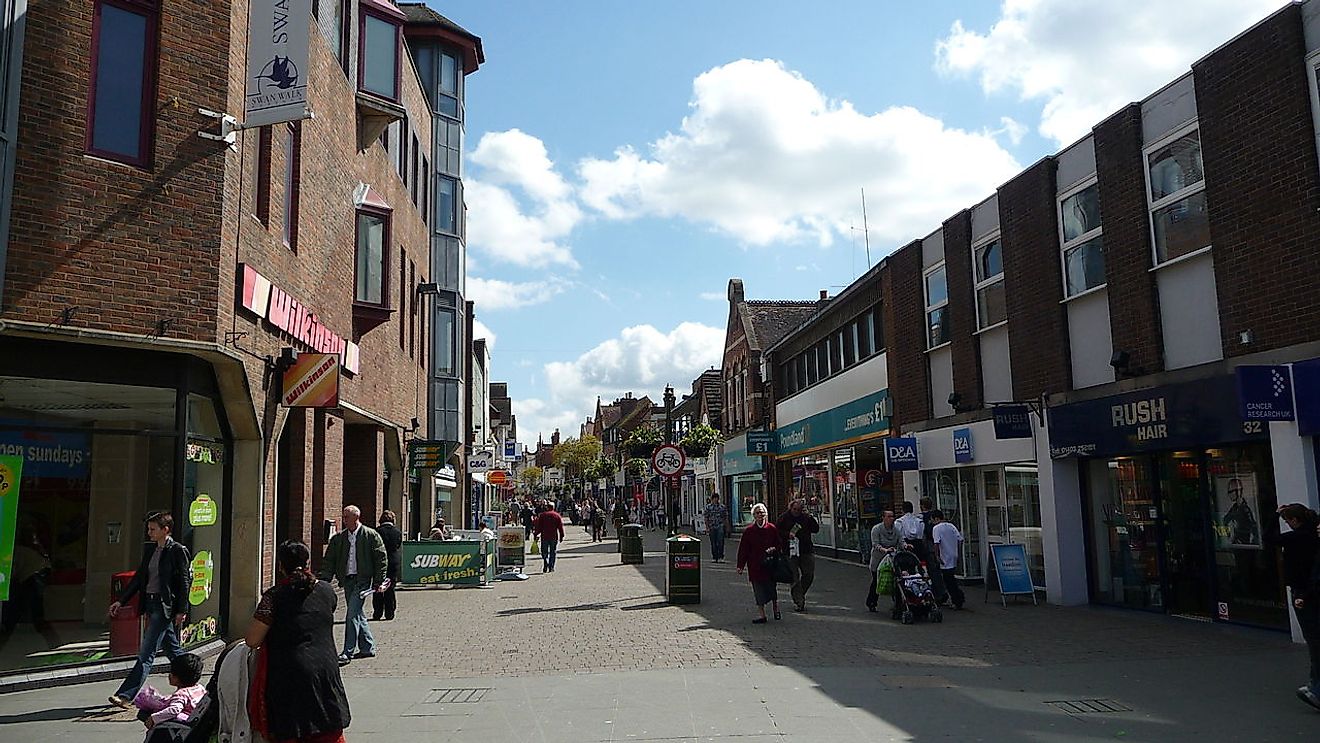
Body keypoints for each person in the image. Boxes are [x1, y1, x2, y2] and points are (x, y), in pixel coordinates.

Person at [246, 540, 352, 742]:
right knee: (327, 729)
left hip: (289, 672)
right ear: (308, 562)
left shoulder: (273, 597)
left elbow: (252, 639)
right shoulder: (327, 591)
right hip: (326, 667)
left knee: (293, 732)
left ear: (280, 566)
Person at [108, 512, 193, 709]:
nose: (149, 533)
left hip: (164, 607)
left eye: (153, 529)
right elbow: (139, 578)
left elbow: (184, 582)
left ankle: (125, 695)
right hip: (150, 604)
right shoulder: (150, 551)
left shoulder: (177, 550)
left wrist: (182, 609)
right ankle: (193, 680)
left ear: (166, 530)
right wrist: (121, 601)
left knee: (146, 652)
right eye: (148, 529)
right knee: (174, 650)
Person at [319, 505, 387, 666]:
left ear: (356, 517)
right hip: (347, 580)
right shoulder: (339, 539)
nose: (344, 520)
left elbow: (381, 558)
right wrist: (325, 579)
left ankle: (347, 652)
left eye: (346, 517)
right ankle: (367, 647)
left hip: (363, 580)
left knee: (351, 615)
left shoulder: (371, 535)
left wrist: (378, 581)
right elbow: (330, 560)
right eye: (343, 517)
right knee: (357, 614)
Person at [1276, 503, 1320, 711]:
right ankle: (1315, 685)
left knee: (1315, 641)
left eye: (1287, 520)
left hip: (1307, 594)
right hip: (1309, 592)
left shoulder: (1298, 538)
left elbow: (1270, 539)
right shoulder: (1313, 536)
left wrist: (1303, 595)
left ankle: (1317, 688)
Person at [0, 529, 60, 649]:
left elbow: (11, 573)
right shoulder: (20, 551)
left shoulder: (12, 552)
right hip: (37, 573)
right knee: (32, 610)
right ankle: (54, 642)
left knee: (21, 610)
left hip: (33, 575)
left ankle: (4, 637)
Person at [133, 652, 206, 729]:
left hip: (181, 725)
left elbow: (174, 710)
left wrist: (153, 718)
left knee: (142, 714)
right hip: (195, 720)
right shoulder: (200, 688)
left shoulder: (181, 694)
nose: (169, 675)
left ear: (178, 677)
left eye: (172, 673)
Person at [736, 503, 782, 624]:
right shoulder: (749, 531)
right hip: (755, 566)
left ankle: (775, 608)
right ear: (753, 515)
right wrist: (740, 565)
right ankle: (762, 615)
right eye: (757, 513)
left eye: (762, 512)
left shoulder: (772, 528)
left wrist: (774, 549)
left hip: (770, 565)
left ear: (765, 514)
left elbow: (779, 544)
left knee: (772, 588)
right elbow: (743, 549)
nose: (760, 514)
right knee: (758, 590)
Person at [776, 498, 820, 612]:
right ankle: (799, 602)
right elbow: (777, 531)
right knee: (794, 577)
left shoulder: (806, 517)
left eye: (799, 510)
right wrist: (787, 534)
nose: (796, 511)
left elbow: (816, 529)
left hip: (806, 549)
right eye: (794, 509)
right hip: (790, 551)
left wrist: (810, 517)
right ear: (790, 508)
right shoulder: (784, 517)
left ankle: (800, 593)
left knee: (808, 574)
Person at [867, 509, 902, 613]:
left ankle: (898, 603)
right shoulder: (876, 529)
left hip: (891, 560)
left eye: (892, 516)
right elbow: (875, 544)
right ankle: (872, 602)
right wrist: (885, 550)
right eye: (889, 516)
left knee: (897, 582)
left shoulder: (896, 530)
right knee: (876, 582)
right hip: (878, 561)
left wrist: (905, 545)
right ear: (883, 518)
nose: (892, 519)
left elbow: (900, 541)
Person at [371, 510, 403, 622]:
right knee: (390, 586)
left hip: (379, 562)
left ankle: (378, 612)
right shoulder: (397, 532)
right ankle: (390, 612)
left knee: (378, 586)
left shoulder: (377, 531)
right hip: (393, 561)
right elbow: (398, 545)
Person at [930, 510, 965, 610]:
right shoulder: (951, 526)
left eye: (932, 519)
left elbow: (936, 543)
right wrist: (958, 553)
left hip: (944, 557)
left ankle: (957, 600)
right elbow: (960, 540)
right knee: (951, 578)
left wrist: (937, 556)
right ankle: (957, 598)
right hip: (953, 555)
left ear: (936, 518)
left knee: (949, 580)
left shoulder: (936, 528)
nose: (932, 522)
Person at [533, 502, 566, 573]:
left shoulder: (542, 515)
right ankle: (551, 567)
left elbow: (539, 526)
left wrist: (536, 534)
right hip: (553, 536)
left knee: (544, 551)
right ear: (553, 507)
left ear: (547, 507)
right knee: (553, 552)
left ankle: (546, 561)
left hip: (544, 536)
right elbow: (560, 527)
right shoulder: (557, 516)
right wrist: (561, 536)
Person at [703, 493, 730, 562]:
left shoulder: (722, 507)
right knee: (713, 542)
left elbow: (725, 517)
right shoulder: (708, 507)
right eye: (714, 498)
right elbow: (706, 517)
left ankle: (721, 556)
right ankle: (714, 557)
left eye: (717, 498)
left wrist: (727, 527)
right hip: (712, 526)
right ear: (712, 499)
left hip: (720, 526)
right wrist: (707, 527)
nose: (715, 500)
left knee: (720, 542)